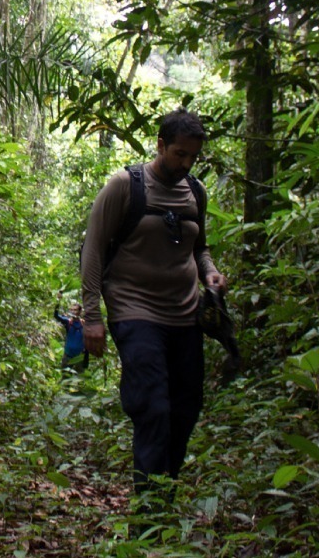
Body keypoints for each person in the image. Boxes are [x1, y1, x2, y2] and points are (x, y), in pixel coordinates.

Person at [80, 108, 226, 495]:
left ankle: (165, 495)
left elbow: (201, 248)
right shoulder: (125, 186)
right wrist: (91, 317)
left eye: (192, 156)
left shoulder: (196, 192)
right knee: (153, 407)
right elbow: (93, 250)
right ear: (160, 145)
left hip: (185, 315)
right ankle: (147, 515)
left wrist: (209, 272)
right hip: (134, 311)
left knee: (185, 409)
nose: (186, 163)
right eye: (179, 153)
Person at [54, 294, 89, 372]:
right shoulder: (68, 322)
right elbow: (56, 315)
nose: (73, 312)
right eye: (72, 310)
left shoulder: (83, 324)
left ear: (80, 312)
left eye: (75, 310)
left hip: (79, 357)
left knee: (79, 380)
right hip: (68, 356)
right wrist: (58, 300)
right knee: (65, 379)